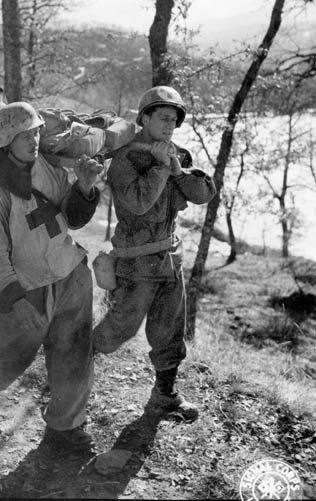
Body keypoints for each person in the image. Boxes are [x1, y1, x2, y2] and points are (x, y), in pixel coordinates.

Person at [0, 102, 102, 452]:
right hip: (24, 288)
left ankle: (65, 428)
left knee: (74, 351)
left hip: (69, 273)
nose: (34, 141)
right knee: (12, 357)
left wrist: (84, 188)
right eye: (25, 135)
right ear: (6, 139)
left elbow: (71, 218)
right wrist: (12, 298)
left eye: (37, 133)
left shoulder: (46, 169)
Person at [92, 85, 216, 421]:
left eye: (174, 119)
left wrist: (177, 170)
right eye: (163, 117)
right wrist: (161, 167)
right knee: (119, 328)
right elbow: (138, 203)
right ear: (144, 117)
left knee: (170, 330)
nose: (170, 124)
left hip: (169, 259)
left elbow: (203, 194)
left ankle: (165, 396)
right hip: (136, 260)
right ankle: (72, 363)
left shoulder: (177, 154)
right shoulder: (126, 158)